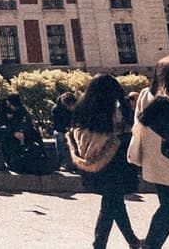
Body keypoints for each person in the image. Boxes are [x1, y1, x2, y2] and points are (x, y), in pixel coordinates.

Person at [68, 73, 141, 249]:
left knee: (114, 202)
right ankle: (100, 244)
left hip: (92, 159)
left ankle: (131, 241)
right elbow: (125, 129)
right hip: (114, 160)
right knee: (111, 204)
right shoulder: (113, 109)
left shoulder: (83, 107)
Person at [128, 54, 169, 249]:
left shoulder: (146, 95)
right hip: (167, 162)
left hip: (157, 162)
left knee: (167, 207)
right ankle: (151, 245)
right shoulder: (162, 99)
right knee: (168, 208)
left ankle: (150, 244)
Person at [0, 94, 49, 175]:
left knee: (34, 133)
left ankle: (42, 156)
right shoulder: (0, 108)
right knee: (8, 139)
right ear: (8, 103)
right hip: (6, 132)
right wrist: (13, 133)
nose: (16, 108)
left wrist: (22, 131)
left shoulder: (20, 108)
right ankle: (13, 161)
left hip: (19, 131)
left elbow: (27, 121)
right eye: (14, 106)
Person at [51, 91, 77, 170]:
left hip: (73, 128)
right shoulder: (56, 110)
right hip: (61, 130)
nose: (71, 107)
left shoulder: (77, 108)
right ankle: (62, 161)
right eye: (70, 106)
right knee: (60, 137)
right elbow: (57, 126)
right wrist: (66, 129)